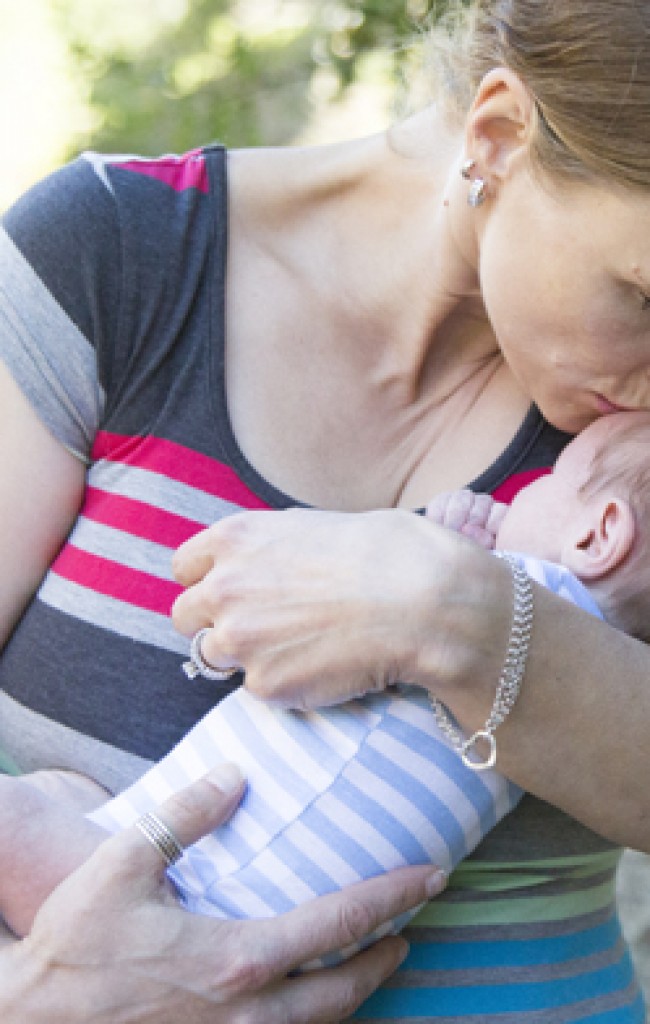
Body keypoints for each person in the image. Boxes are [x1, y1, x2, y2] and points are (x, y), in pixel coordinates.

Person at [1, 0, 650, 1019]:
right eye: (645, 298)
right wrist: (31, 1000)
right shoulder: (116, 261)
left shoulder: (624, 461)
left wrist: (463, 618)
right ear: (495, 136)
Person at [0, 411, 647, 960]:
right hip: (265, 932)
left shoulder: (504, 596)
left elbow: (306, 647)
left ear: (598, 534)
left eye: (549, 479)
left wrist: (447, 540)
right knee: (61, 793)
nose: (517, 494)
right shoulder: (584, 682)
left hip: (185, 894)